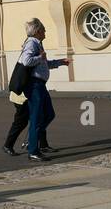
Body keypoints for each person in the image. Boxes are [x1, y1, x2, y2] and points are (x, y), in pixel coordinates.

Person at [4, 18, 67, 161]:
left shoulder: (37, 43)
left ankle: (32, 141)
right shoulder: (32, 43)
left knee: (49, 114)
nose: (45, 32)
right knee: (37, 117)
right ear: (38, 31)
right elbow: (26, 61)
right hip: (34, 85)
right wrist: (40, 57)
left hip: (40, 85)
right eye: (44, 30)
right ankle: (33, 150)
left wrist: (60, 62)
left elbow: (43, 64)